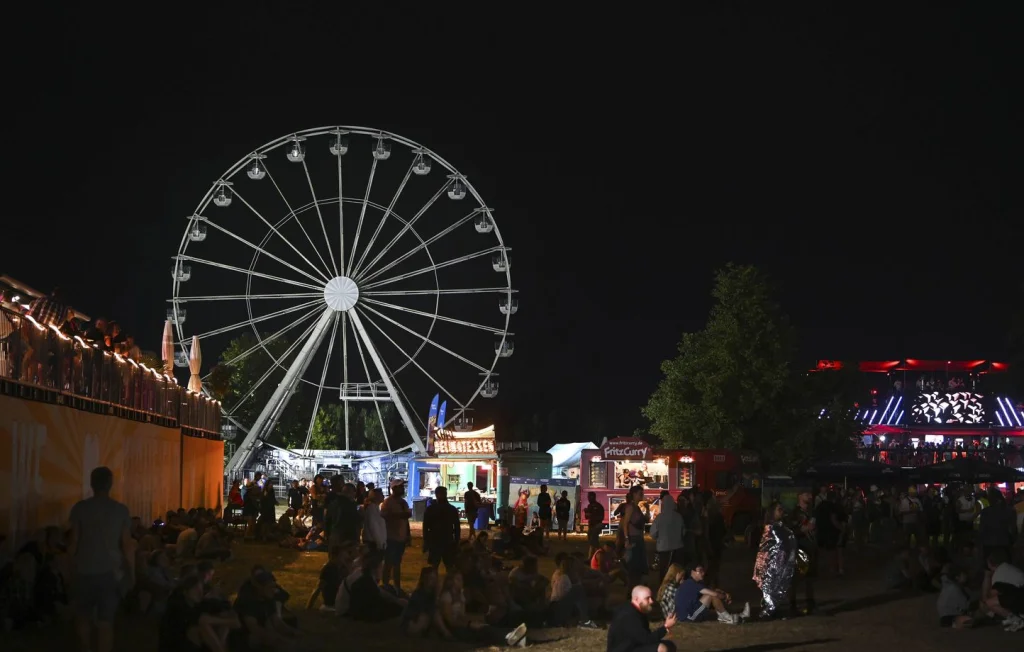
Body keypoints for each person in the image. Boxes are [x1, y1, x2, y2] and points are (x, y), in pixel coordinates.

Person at [67, 466, 133, 652]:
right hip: (110, 572)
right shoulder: (120, 510)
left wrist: (69, 569)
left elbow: (73, 541)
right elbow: (127, 545)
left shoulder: (80, 508)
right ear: (110, 484)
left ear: (91, 483)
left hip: (83, 569)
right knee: (106, 622)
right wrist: (132, 572)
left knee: (83, 617)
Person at [753, 501, 797, 619]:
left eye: (782, 509)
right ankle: (767, 611)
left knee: (779, 586)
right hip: (771, 563)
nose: (782, 512)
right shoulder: (770, 528)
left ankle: (774, 610)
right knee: (770, 585)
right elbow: (768, 547)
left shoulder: (781, 526)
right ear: (772, 512)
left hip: (780, 562)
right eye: (779, 510)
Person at [606, 585, 676, 652]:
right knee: (662, 648)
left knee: (670, 645)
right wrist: (665, 627)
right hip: (624, 650)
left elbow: (645, 636)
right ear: (637, 599)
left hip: (634, 644)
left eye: (651, 598)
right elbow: (646, 640)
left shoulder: (637, 610)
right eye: (647, 598)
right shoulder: (629, 616)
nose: (651, 601)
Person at [674, 563, 748, 624]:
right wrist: (725, 597)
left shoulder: (691, 582)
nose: (703, 573)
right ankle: (728, 618)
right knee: (711, 595)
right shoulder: (692, 584)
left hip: (686, 613)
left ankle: (725, 616)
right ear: (692, 572)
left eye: (703, 570)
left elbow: (712, 590)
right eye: (700, 571)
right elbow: (713, 594)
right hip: (688, 617)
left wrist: (723, 593)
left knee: (713, 593)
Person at [787, 489, 818, 615]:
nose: (810, 496)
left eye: (810, 494)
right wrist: (803, 529)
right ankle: (792, 605)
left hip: (811, 547)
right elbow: (791, 530)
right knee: (796, 578)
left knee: (810, 578)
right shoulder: (794, 513)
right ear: (799, 496)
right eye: (807, 494)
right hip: (800, 548)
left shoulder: (811, 512)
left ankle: (810, 604)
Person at [381, 479, 412, 594]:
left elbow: (406, 520)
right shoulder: (387, 502)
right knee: (389, 562)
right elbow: (384, 516)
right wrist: (401, 515)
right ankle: (385, 585)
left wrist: (408, 534)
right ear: (393, 489)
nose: (403, 489)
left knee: (397, 563)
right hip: (391, 537)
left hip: (400, 537)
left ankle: (397, 587)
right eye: (400, 487)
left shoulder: (403, 502)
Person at [422, 487, 460, 570]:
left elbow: (425, 527)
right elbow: (457, 527)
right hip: (441, 541)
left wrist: (426, 541)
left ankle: (437, 582)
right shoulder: (450, 509)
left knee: (441, 566)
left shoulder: (431, 509)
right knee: (444, 566)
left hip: (442, 541)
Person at [649, 492, 684, 574]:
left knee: (664, 572)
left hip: (663, 549)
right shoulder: (679, 517)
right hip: (677, 549)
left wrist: (659, 538)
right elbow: (683, 532)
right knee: (676, 572)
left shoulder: (660, 517)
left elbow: (652, 533)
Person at [584, 492, 606, 557]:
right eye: (588, 497)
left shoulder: (598, 506)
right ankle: (597, 554)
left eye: (589, 497)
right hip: (591, 525)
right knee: (593, 541)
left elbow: (601, 517)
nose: (588, 499)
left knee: (593, 541)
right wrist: (587, 513)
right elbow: (587, 517)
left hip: (597, 525)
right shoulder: (590, 506)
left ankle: (592, 556)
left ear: (593, 497)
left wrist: (591, 515)